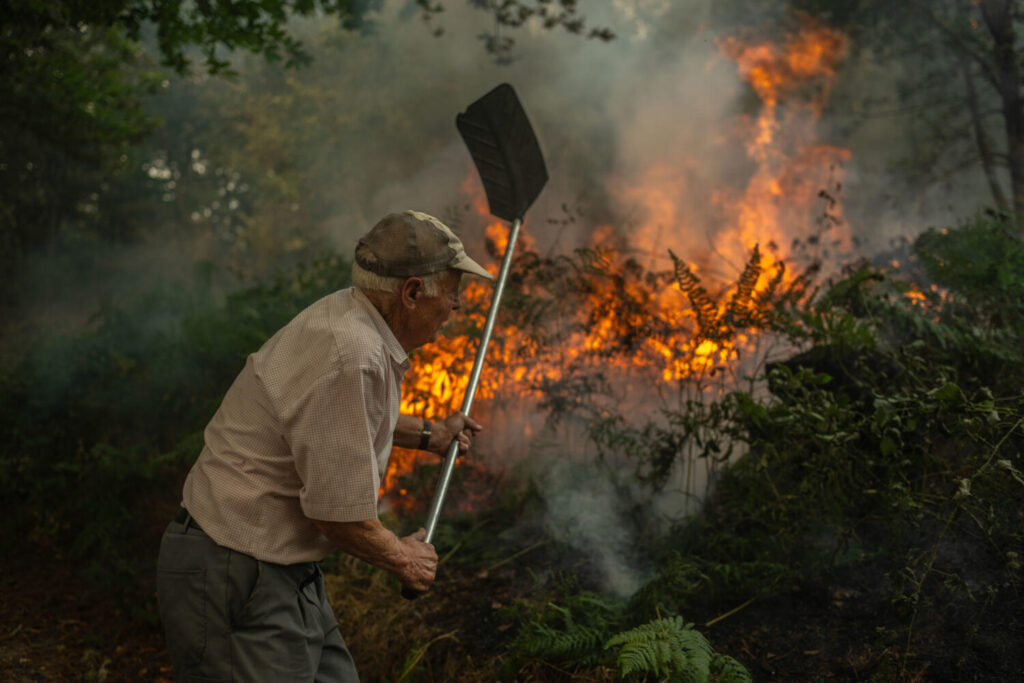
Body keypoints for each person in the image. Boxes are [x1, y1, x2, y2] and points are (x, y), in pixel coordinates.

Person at [156, 210, 491, 682]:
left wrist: (428, 434)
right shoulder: (350, 353)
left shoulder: (356, 318)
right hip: (236, 568)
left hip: (280, 569)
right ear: (412, 292)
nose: (457, 306)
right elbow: (336, 513)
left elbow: (340, 420)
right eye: (452, 292)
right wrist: (402, 558)